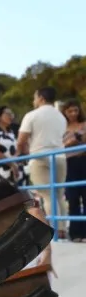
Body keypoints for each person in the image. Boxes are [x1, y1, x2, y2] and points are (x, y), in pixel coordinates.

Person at [17, 87, 68, 238]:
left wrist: (22, 153)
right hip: (60, 157)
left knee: (47, 195)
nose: (34, 101)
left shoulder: (32, 115)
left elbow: (21, 141)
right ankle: (63, 229)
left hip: (39, 156)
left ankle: (54, 230)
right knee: (59, 195)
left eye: (35, 97)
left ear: (41, 98)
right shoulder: (61, 117)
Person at [61, 99, 86, 242]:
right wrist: (71, 142)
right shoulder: (61, 127)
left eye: (75, 110)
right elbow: (59, 146)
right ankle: (76, 233)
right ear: (65, 112)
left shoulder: (84, 124)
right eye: (70, 111)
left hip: (84, 160)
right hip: (69, 162)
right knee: (73, 197)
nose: (73, 113)